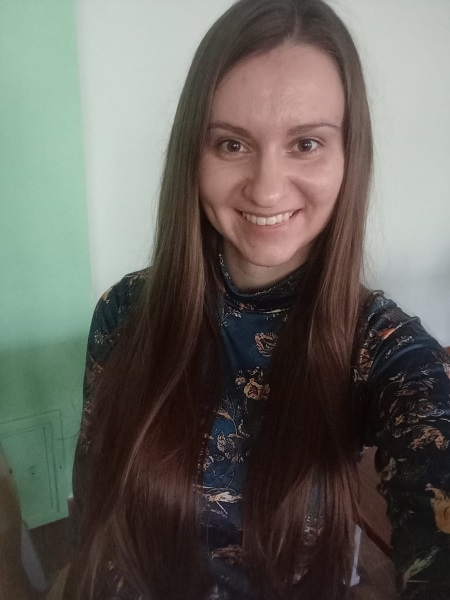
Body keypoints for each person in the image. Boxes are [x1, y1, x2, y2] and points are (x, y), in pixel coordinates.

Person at [64, 1, 450, 599]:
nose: (267, 190)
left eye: (306, 143)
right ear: (194, 154)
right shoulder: (125, 311)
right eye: (231, 145)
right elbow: (94, 507)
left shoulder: (380, 347)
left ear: (349, 156)